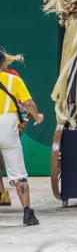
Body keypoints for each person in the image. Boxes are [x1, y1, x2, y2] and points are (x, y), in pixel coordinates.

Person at [0, 50, 43, 225]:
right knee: (18, 175)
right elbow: (28, 103)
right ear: (4, 64)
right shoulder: (13, 80)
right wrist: (37, 115)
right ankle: (27, 213)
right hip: (7, 126)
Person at [0, 50, 22, 207]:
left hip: (10, 123)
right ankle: (3, 194)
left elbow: (20, 102)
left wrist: (22, 123)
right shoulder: (14, 76)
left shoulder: (13, 75)